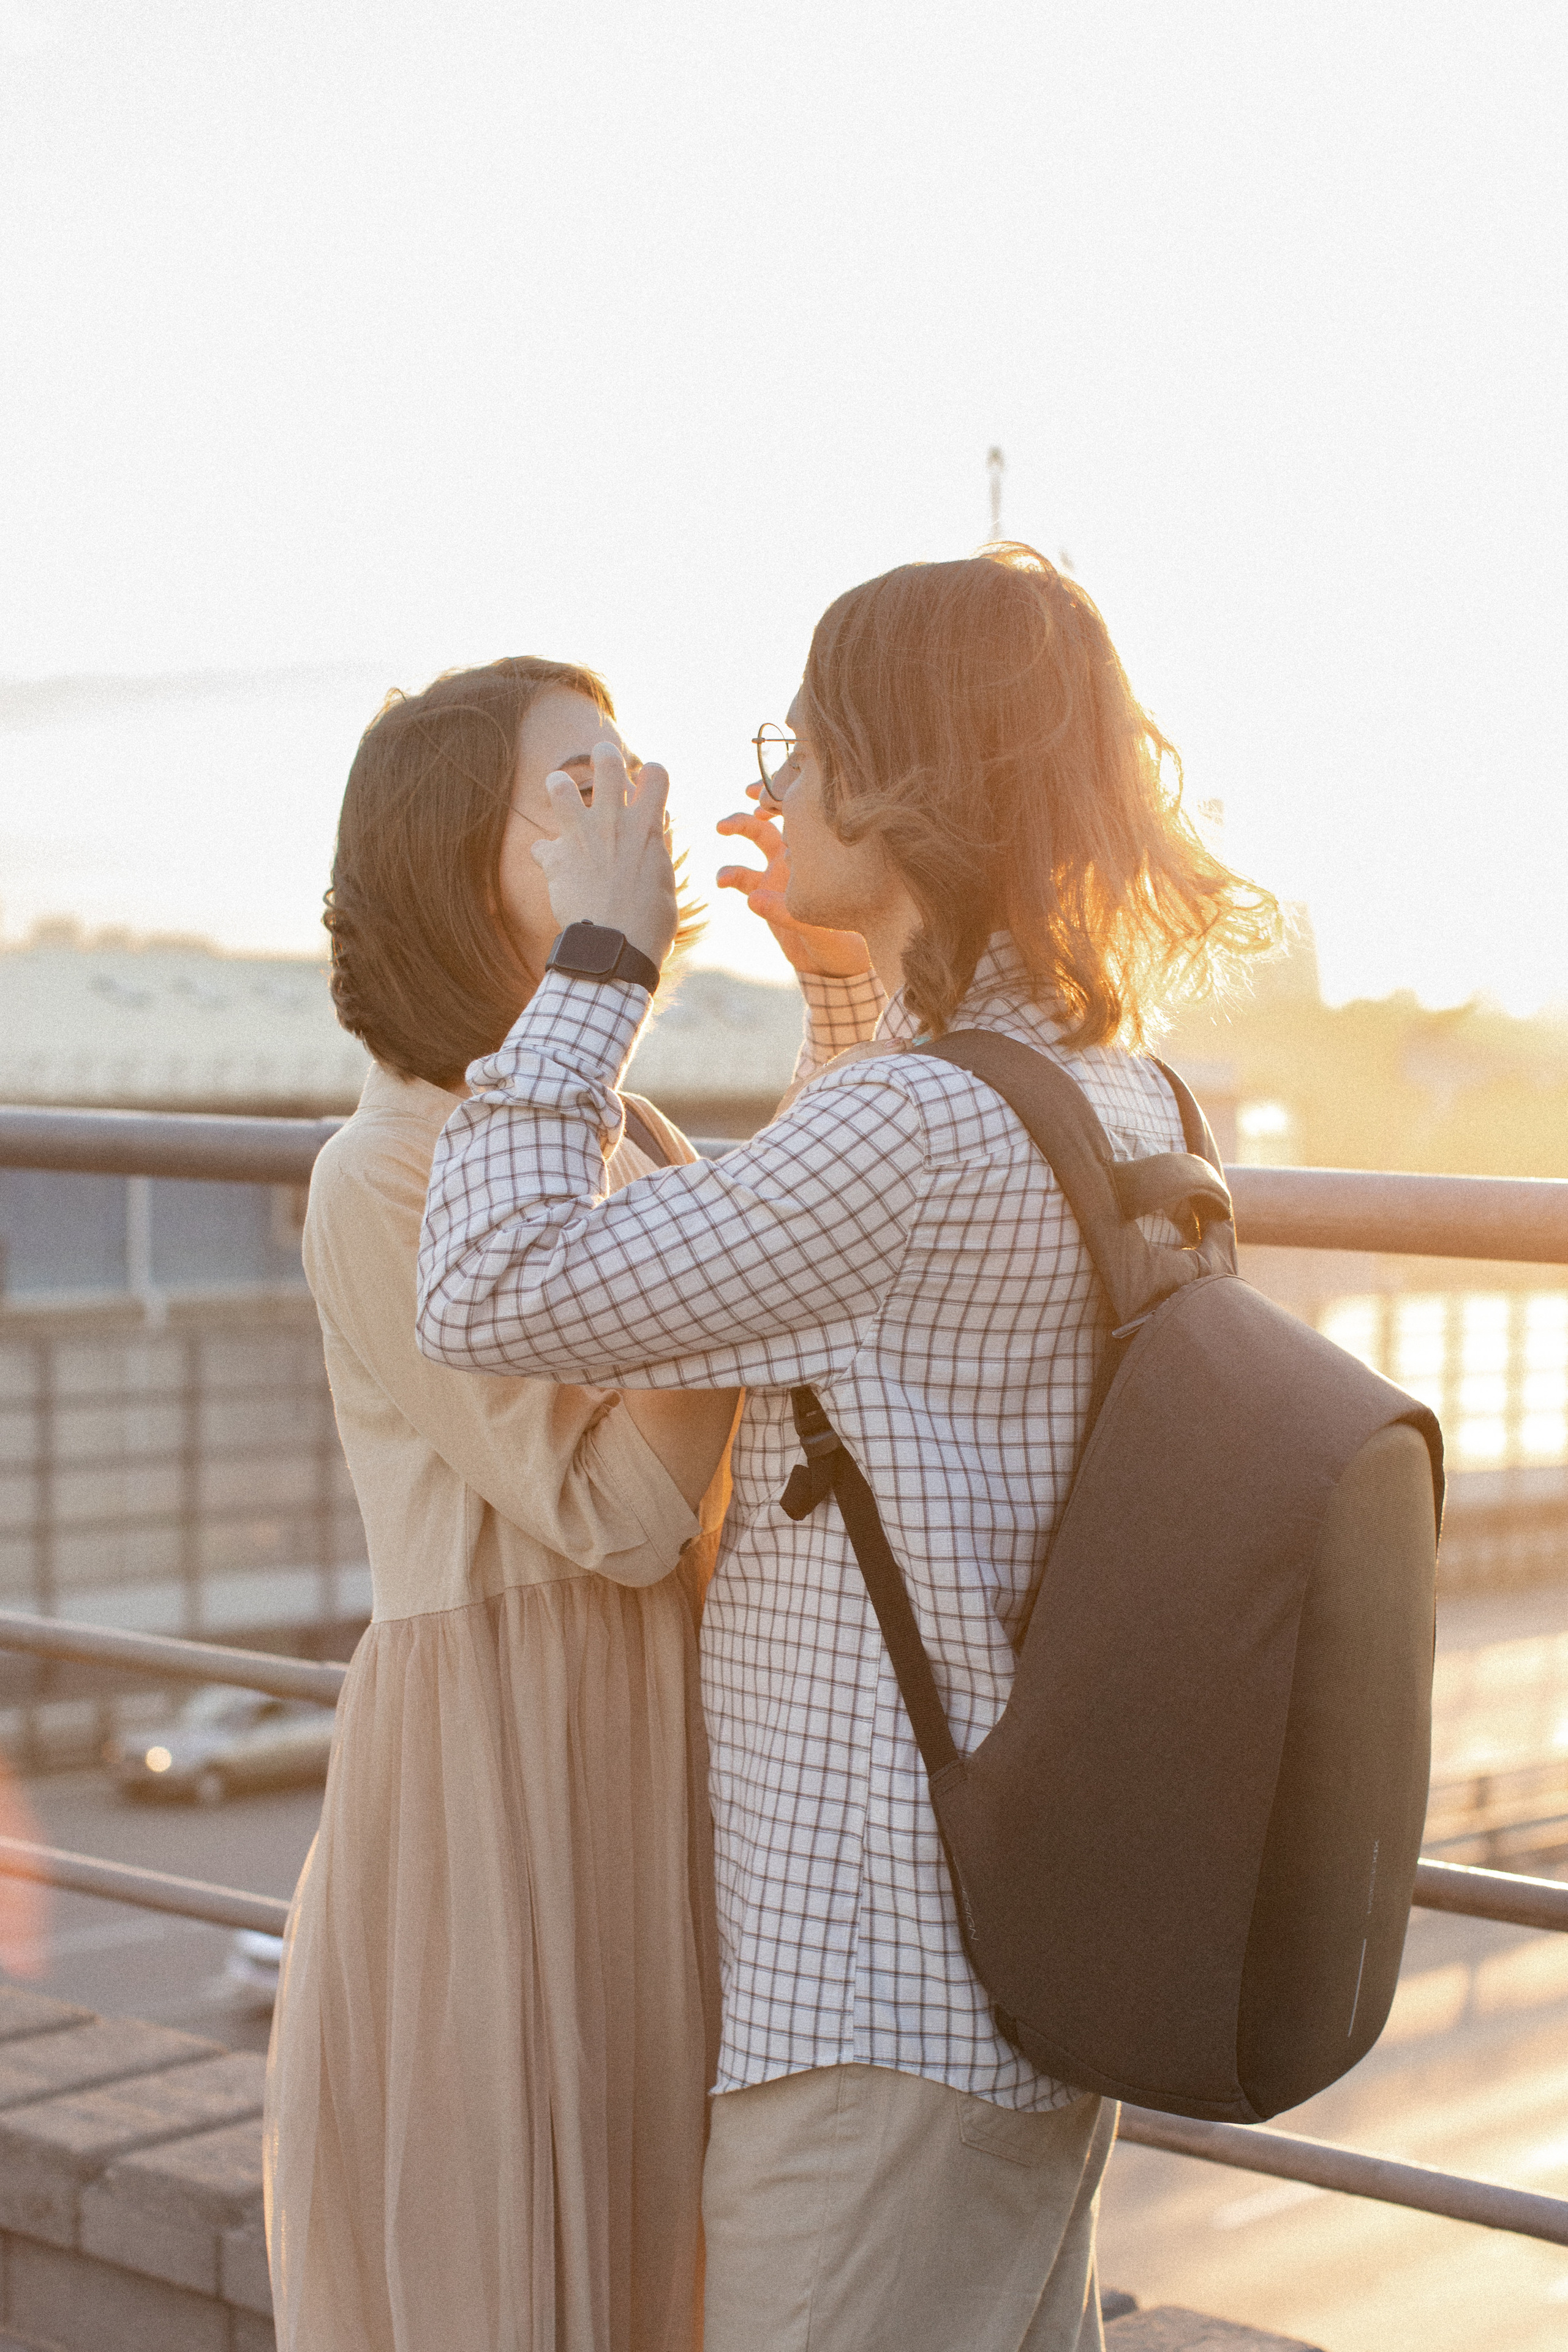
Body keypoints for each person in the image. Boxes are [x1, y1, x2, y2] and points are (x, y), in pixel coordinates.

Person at [416, 549, 1278, 2352]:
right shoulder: (1120, 1090)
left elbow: (491, 1283)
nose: (775, 782)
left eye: (803, 741)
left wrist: (598, 960)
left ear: (902, 783)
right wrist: (842, 992)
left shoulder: (913, 1129)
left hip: (876, 2010)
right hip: (1015, 1973)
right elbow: (848, 1286)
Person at [263, 656, 737, 2352]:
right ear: (459, 869)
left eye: (628, 774)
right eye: (577, 791)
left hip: (635, 1735)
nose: (634, 815)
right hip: (499, 1763)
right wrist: (767, 1283)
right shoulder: (388, 1167)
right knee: (529, 2270)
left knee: (664, 2250)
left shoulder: (629, 1131)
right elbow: (606, 1512)